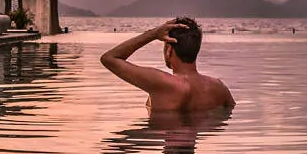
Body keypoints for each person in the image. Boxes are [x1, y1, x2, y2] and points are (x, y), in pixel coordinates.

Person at [100, 17, 234, 112]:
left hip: (164, 133)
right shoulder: (219, 88)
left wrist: (153, 34)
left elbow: (109, 58)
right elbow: (230, 111)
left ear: (169, 50)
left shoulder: (163, 83)